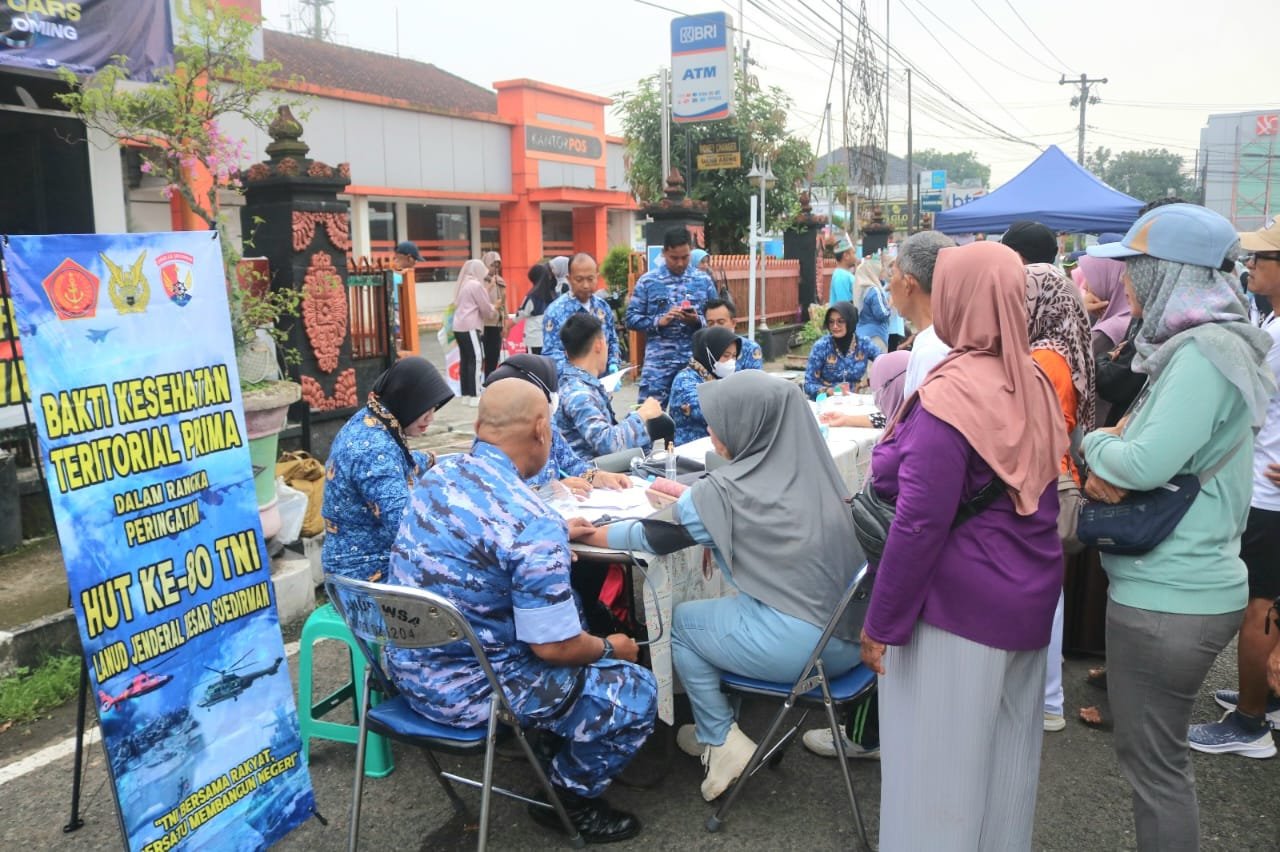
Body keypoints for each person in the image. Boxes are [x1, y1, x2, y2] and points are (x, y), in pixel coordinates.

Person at [385, 379, 656, 843]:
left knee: (570, 619)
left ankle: (555, 737)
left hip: (407, 670)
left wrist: (548, 537)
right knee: (636, 689)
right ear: (541, 429)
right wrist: (616, 646)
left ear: (478, 426)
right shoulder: (531, 523)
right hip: (473, 695)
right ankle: (570, 802)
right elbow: (554, 647)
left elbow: (477, 545)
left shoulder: (439, 476)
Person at [573, 371, 862, 802]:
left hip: (805, 650)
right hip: (855, 639)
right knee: (726, 611)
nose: (711, 427)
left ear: (752, 424)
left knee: (685, 622)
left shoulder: (726, 490)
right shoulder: (817, 471)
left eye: (722, 418)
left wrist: (584, 534)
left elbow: (651, 536)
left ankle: (720, 737)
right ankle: (717, 728)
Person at [862, 240, 1066, 851]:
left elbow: (919, 523)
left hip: (958, 609)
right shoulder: (1031, 378)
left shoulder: (952, 394)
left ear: (955, 297)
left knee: (934, 781)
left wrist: (882, 622)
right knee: (1006, 768)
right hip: (1027, 596)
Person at [1082, 203, 1272, 851]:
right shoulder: (1211, 345)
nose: (1125, 282)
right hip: (1185, 586)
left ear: (1171, 273)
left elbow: (1140, 460)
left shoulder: (1203, 354)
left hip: (1170, 596)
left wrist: (1093, 446)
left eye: (1135, 268)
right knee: (1155, 762)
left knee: (1155, 768)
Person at [1188, 218, 1280, 759]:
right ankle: (1264, 697)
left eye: (1261, 258)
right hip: (1264, 482)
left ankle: (1249, 725)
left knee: (1258, 606)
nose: (1250, 267)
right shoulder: (1270, 322)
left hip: (1268, 493)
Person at [1024, 262, 1096, 734]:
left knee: (1041, 594)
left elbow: (1037, 429)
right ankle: (1049, 699)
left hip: (1042, 482)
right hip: (1057, 477)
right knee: (1050, 591)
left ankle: (1047, 702)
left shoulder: (1044, 358)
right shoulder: (1066, 346)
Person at [322, 357, 453, 582]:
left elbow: (399, 462)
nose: (430, 417)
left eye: (434, 408)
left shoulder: (372, 418)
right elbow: (406, 525)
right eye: (425, 407)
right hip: (367, 575)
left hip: (354, 561)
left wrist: (435, 460)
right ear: (408, 400)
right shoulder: (373, 450)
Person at [483, 354, 631, 491]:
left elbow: (571, 464)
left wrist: (598, 477)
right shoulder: (494, 443)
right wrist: (549, 491)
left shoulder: (547, 426)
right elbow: (500, 496)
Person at [626, 227, 719, 406]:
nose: (679, 263)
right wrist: (658, 321)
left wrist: (697, 320)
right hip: (659, 363)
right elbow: (631, 318)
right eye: (674, 258)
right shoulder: (648, 281)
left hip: (694, 361)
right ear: (664, 253)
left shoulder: (703, 281)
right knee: (649, 416)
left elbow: (717, 319)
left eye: (685, 257)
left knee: (694, 413)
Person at [557, 313, 663, 460]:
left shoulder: (578, 384)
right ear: (599, 345)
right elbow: (608, 444)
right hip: (592, 477)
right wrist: (642, 415)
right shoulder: (578, 393)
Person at [892, 231, 956, 396]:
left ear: (908, 284)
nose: (888, 285)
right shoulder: (955, 333)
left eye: (893, 274)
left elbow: (926, 420)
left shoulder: (931, 351)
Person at [540, 253, 621, 376]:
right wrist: (581, 374)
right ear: (569, 278)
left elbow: (613, 340)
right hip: (573, 385)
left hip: (603, 384)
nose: (585, 285)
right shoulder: (555, 311)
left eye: (590, 279)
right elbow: (551, 354)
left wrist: (613, 364)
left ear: (597, 277)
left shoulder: (603, 307)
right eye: (579, 279)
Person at [668, 327, 740, 445]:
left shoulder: (720, 377)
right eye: (726, 355)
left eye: (734, 356)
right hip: (691, 452)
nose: (731, 361)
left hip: (719, 449)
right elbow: (708, 411)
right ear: (709, 353)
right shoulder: (685, 380)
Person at [818, 350, 909, 431]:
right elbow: (887, 419)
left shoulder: (916, 425)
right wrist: (846, 419)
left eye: (884, 385)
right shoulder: (909, 413)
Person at [804, 301, 879, 399]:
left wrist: (867, 382)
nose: (835, 326)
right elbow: (808, 384)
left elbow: (886, 365)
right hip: (827, 403)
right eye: (831, 321)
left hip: (854, 403)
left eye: (840, 321)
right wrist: (831, 391)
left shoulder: (863, 344)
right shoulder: (821, 346)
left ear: (850, 321)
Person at [451, 259, 499, 406]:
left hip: (459, 326)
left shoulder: (464, 283)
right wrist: (495, 307)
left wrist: (488, 288)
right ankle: (476, 395)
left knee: (466, 360)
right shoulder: (476, 285)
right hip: (470, 326)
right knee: (477, 359)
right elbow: (485, 308)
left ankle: (466, 394)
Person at [1078, 255, 1132, 357]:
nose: (1085, 286)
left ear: (1110, 280)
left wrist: (1077, 311)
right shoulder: (1128, 318)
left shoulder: (1109, 330)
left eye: (1090, 279)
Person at [704, 296, 763, 371]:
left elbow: (755, 380)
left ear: (733, 323)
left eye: (721, 322)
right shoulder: (702, 348)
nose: (715, 327)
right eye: (710, 323)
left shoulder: (750, 348)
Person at [517, 263, 557, 355]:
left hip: (534, 338)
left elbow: (521, 313)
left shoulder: (532, 296)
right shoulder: (554, 294)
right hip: (549, 338)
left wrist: (507, 327)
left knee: (534, 366)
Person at [854, 257, 891, 352]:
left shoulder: (861, 289)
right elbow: (882, 314)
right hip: (875, 336)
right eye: (880, 269)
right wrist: (890, 303)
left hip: (861, 334)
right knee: (876, 366)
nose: (882, 272)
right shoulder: (874, 290)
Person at [481, 251, 507, 377]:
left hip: (496, 325)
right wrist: (491, 285)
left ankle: (491, 380)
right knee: (482, 356)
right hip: (483, 324)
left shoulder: (500, 282)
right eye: (492, 265)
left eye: (497, 266)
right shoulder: (480, 281)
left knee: (494, 356)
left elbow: (503, 304)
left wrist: (505, 324)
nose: (495, 269)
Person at [829, 236, 857, 305]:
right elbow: (844, 306)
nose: (856, 257)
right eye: (853, 253)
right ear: (846, 256)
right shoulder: (841, 277)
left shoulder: (842, 274)